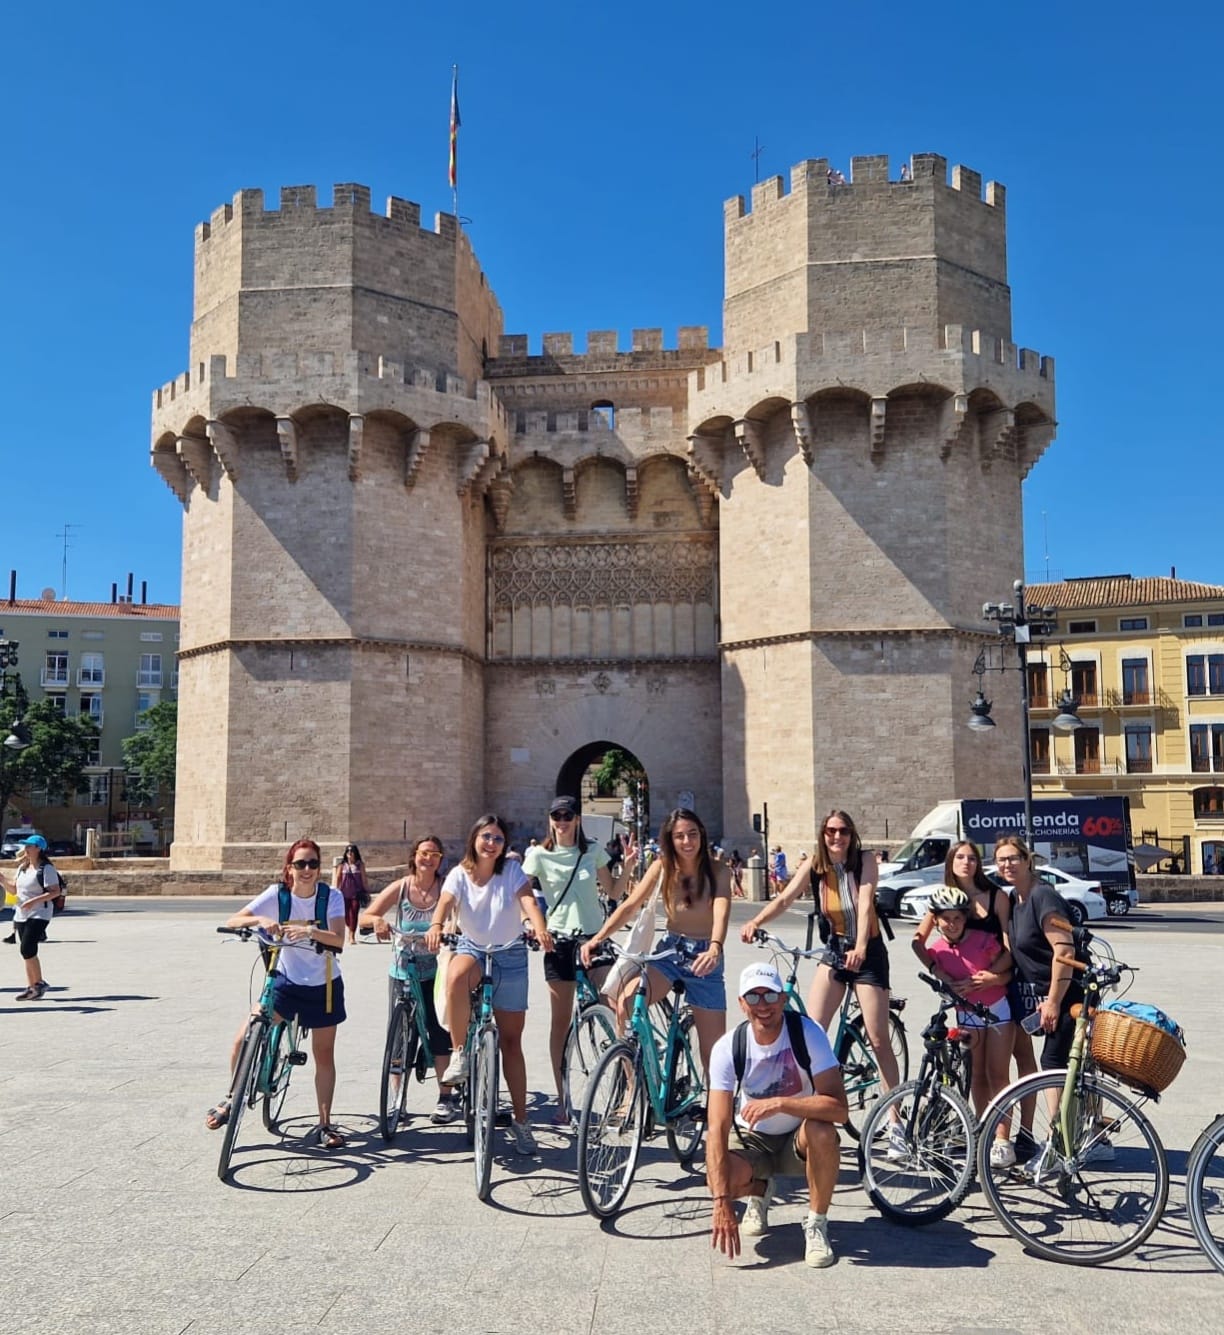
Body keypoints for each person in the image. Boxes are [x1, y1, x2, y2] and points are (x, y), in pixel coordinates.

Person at [741, 810, 903, 1154]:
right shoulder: (816, 865)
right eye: (831, 831)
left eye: (843, 831)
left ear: (851, 834)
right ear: (823, 833)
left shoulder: (865, 860)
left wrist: (860, 947)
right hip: (834, 950)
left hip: (868, 952)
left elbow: (863, 901)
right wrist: (755, 921)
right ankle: (806, 1111)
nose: (837, 837)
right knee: (810, 1030)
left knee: (878, 1038)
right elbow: (785, 898)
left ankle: (895, 1123)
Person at [205, 838, 348, 1147]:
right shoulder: (276, 895)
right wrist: (261, 919)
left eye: (312, 864)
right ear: (289, 867)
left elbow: (339, 940)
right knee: (245, 1035)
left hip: (324, 985)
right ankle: (232, 1096)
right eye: (300, 864)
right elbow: (234, 920)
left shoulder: (331, 897)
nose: (307, 870)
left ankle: (325, 1124)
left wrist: (310, 931)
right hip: (285, 980)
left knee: (323, 1055)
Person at [424, 813, 553, 1155]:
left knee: (512, 1043)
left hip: (510, 955)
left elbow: (527, 901)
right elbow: (446, 903)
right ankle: (460, 1052)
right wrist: (437, 924)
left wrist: (538, 925)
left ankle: (522, 1122)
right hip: (473, 949)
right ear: (474, 839)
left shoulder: (511, 871)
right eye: (486, 837)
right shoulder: (459, 874)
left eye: (497, 838)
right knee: (455, 974)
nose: (491, 843)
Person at [707, 963, 848, 1268]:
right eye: (753, 997)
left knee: (824, 1132)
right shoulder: (728, 1047)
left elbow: (839, 1108)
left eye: (770, 995)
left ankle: (816, 1223)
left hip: (798, 1138)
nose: (763, 1006)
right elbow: (716, 1128)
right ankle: (760, 1189)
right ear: (742, 1004)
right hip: (751, 1139)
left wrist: (782, 1104)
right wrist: (721, 1202)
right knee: (717, 1174)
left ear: (783, 998)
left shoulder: (807, 1033)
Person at [581, 807, 731, 1075]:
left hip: (705, 958)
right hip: (670, 953)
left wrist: (715, 946)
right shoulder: (661, 867)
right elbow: (630, 906)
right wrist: (598, 939)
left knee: (714, 1053)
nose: (687, 842)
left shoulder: (718, 870)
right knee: (625, 1003)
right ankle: (633, 1089)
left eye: (692, 834)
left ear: (702, 835)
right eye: (680, 836)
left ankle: (716, 1112)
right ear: (670, 840)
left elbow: (721, 910)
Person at [522, 796, 638, 1123]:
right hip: (557, 941)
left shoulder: (592, 852)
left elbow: (613, 892)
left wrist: (627, 866)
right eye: (556, 815)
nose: (562, 821)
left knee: (614, 1006)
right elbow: (523, 893)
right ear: (550, 820)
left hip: (592, 939)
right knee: (560, 1023)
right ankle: (564, 1098)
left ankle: (630, 1089)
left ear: (576, 819)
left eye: (567, 815)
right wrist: (532, 923)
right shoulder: (539, 856)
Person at [914, 884, 1016, 1166]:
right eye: (945, 918)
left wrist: (991, 977)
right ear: (935, 920)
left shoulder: (983, 939)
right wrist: (937, 972)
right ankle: (982, 1131)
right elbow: (916, 945)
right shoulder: (937, 950)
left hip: (996, 1009)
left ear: (966, 917)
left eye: (958, 917)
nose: (952, 923)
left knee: (998, 1075)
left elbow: (1008, 967)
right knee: (977, 1077)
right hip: (966, 1013)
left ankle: (1003, 1139)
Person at [360, 834, 458, 1123]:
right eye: (424, 853)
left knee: (439, 1031)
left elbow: (455, 917)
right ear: (414, 856)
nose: (428, 859)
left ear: (441, 860)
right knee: (400, 1036)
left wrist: (446, 928)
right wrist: (377, 921)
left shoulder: (445, 888)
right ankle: (397, 1100)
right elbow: (366, 916)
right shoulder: (401, 887)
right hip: (403, 970)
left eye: (435, 855)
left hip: (436, 970)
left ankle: (445, 1098)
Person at [1, 835, 59, 1000]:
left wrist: (34, 901)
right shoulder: (22, 868)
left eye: (29, 846)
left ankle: (38, 984)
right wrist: (3, 880)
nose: (25, 849)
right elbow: (14, 890)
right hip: (21, 913)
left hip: (40, 912)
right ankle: (34, 985)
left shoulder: (46, 868)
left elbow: (55, 891)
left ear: (39, 848)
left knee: (27, 947)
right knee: (26, 952)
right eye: (25, 846)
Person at [333, 843, 368, 945]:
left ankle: (351, 935)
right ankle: (349, 928)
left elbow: (364, 879)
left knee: (354, 913)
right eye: (348, 851)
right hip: (344, 893)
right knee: (346, 915)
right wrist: (335, 892)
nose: (350, 853)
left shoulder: (359, 865)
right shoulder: (342, 866)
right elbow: (338, 879)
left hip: (356, 893)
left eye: (352, 851)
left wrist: (366, 890)